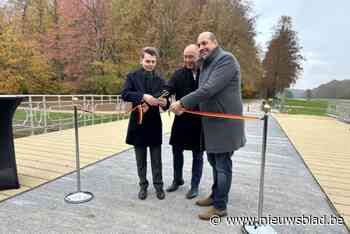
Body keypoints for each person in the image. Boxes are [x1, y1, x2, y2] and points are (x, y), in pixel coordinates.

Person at [170, 32, 246, 220]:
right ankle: (215, 196)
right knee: (214, 162)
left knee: (222, 166)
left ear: (215, 42)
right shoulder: (206, 63)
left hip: (225, 125)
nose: (202, 47)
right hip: (211, 125)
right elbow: (201, 91)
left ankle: (220, 207)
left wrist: (182, 103)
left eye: (205, 43)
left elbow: (208, 89)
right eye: (199, 44)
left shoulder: (226, 60)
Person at [121, 47, 168, 200]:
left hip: (154, 123)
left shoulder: (161, 80)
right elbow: (125, 94)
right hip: (138, 123)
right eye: (147, 61)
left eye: (153, 62)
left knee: (156, 159)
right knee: (140, 159)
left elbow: (166, 101)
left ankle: (159, 186)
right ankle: (143, 185)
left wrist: (164, 102)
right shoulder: (132, 76)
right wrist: (144, 96)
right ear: (141, 60)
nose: (150, 64)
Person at [164, 44, 203, 199]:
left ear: (198, 56)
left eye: (191, 57)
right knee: (176, 150)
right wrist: (162, 95)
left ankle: (194, 186)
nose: (188, 60)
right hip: (181, 119)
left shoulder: (206, 73)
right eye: (185, 57)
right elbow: (168, 88)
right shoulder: (178, 74)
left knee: (198, 154)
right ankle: (177, 179)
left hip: (200, 121)